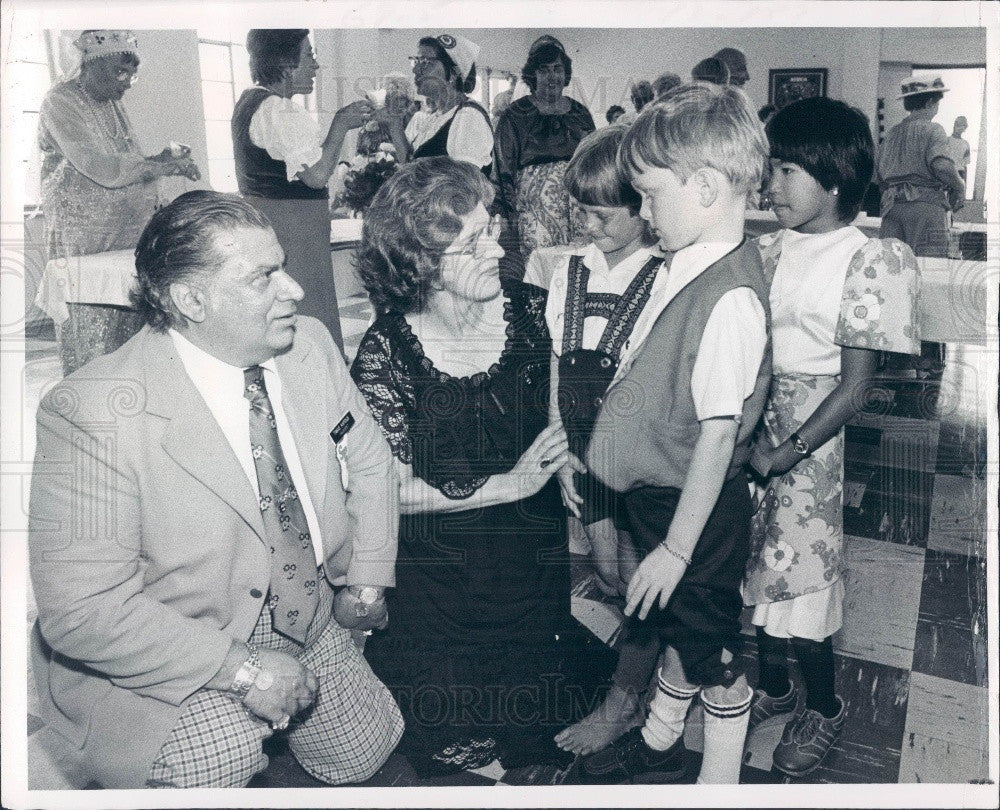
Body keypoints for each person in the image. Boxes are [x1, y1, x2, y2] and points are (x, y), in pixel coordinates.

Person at [28, 190, 403, 789]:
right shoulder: (93, 410)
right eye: (265, 277)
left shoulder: (308, 345)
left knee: (370, 746)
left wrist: (365, 581)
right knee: (219, 755)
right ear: (191, 300)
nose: (296, 290)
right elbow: (82, 612)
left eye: (282, 265)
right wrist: (245, 671)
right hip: (179, 635)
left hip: (304, 605)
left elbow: (371, 458)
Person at [351, 157, 616, 777]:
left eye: (492, 226)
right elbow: (388, 490)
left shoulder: (530, 308)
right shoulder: (385, 352)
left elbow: (554, 406)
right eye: (474, 241)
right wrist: (513, 483)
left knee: (535, 705)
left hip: (529, 551)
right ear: (421, 264)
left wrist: (569, 457)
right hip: (439, 567)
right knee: (444, 723)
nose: (500, 247)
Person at [569, 83, 771, 785]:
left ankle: (717, 783)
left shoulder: (730, 299)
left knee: (715, 658)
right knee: (678, 630)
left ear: (707, 186)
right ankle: (657, 740)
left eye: (651, 194)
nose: (643, 210)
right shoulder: (687, 262)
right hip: (663, 497)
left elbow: (718, 437)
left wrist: (678, 551)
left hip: (699, 515)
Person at [744, 97, 921, 776]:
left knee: (804, 578)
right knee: (754, 567)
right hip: (757, 421)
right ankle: (776, 686)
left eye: (786, 170)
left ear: (835, 177)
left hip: (809, 442)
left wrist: (784, 451)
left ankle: (825, 704)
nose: (771, 185)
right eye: (772, 168)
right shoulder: (766, 248)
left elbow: (856, 386)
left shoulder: (868, 259)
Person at [522, 125, 667, 757]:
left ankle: (626, 699)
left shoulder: (663, 278)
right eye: (578, 211)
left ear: (643, 208)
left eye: (602, 214)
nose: (587, 225)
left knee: (638, 578)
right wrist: (561, 456)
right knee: (607, 572)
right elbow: (557, 369)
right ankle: (638, 665)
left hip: (634, 462)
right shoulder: (569, 270)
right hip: (579, 455)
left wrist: (606, 465)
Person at [37, 29, 200, 376]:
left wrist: (162, 158)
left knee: (131, 310)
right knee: (91, 319)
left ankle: (132, 385)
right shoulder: (60, 101)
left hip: (126, 226)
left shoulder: (113, 104)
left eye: (132, 74)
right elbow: (96, 165)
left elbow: (129, 159)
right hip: (82, 232)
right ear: (90, 64)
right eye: (120, 72)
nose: (128, 82)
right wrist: (159, 165)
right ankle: (89, 390)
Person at [233, 29, 374, 353]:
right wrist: (340, 124)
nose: (316, 65)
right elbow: (316, 176)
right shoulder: (280, 109)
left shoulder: (249, 102)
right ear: (286, 63)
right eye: (309, 55)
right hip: (295, 233)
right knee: (308, 314)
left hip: (269, 226)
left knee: (281, 313)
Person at [494, 35, 597, 256]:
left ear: (565, 73)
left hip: (580, 209)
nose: (552, 76)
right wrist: (506, 214)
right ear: (533, 75)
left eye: (557, 69)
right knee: (542, 272)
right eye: (544, 70)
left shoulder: (580, 112)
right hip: (534, 214)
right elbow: (503, 169)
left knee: (581, 264)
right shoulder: (515, 114)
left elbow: (594, 162)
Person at [877, 74, 965, 257]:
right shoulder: (934, 129)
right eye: (937, 102)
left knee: (893, 266)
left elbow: (879, 175)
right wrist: (960, 185)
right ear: (930, 102)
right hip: (925, 207)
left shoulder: (892, 134)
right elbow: (941, 165)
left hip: (892, 208)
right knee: (928, 266)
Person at [376, 33, 493, 171]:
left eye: (425, 62)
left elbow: (465, 185)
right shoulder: (435, 118)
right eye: (416, 61)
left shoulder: (469, 116)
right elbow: (411, 167)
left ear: (454, 73)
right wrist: (394, 124)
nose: (415, 69)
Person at [947, 115, 971, 181]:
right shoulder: (946, 140)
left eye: (963, 126)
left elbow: (965, 163)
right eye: (958, 125)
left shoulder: (966, 144)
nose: (960, 128)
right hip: (947, 172)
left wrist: (964, 182)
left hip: (960, 173)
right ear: (954, 126)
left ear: (965, 128)